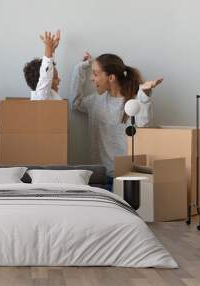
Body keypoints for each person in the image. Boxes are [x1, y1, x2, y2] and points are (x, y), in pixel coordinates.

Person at [70, 52, 163, 189]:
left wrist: (144, 96)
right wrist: (79, 69)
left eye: (95, 74)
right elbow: (75, 103)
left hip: (125, 176)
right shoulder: (96, 101)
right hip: (99, 177)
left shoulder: (133, 102)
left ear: (111, 77)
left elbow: (144, 125)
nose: (91, 78)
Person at [24, 30, 62, 100]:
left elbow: (49, 68)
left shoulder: (48, 94)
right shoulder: (41, 96)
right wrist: (48, 47)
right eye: (55, 78)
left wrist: (52, 50)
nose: (59, 80)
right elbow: (46, 74)